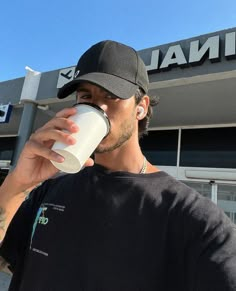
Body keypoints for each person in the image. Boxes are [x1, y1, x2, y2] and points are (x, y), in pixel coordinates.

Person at [0, 40, 236, 291]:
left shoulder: (192, 218)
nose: (98, 107)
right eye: (86, 96)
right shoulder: (49, 190)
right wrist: (18, 183)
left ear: (141, 108)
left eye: (111, 95)